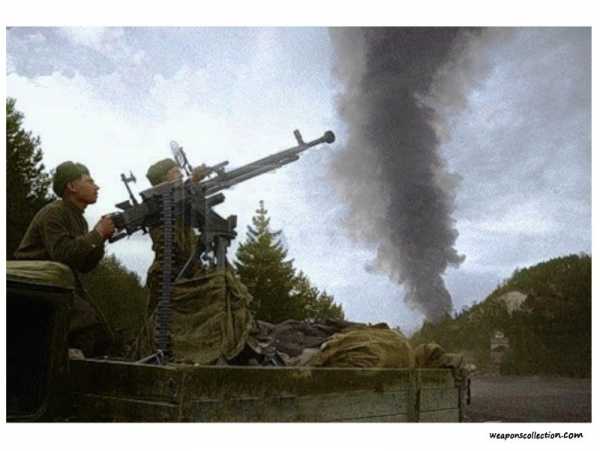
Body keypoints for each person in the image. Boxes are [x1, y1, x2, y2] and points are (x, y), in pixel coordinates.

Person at [15, 161, 115, 356]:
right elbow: (62, 253)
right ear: (71, 186)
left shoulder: (78, 219)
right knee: (86, 327)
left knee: (103, 337)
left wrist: (101, 239)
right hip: (33, 283)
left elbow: (84, 265)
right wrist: (97, 234)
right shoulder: (54, 212)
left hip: (57, 282)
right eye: (89, 181)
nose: (96, 187)